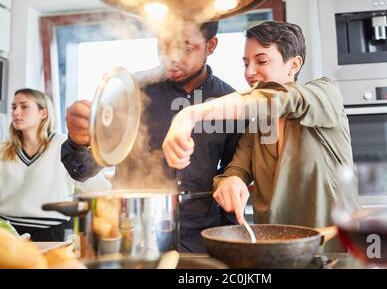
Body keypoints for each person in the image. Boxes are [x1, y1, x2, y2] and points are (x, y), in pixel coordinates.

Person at [162, 21, 361, 251]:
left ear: (294, 64)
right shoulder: (258, 127)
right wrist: (231, 182)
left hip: (336, 251)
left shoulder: (324, 94)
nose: (249, 72)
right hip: (277, 254)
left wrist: (190, 114)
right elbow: (236, 169)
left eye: (262, 61)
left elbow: (279, 99)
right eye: (246, 63)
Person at [61, 21, 241, 253]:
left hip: (200, 241)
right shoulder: (130, 91)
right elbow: (84, 170)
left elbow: (233, 173)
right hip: (132, 237)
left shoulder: (230, 102)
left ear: (211, 45)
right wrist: (79, 140)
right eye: (164, 45)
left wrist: (228, 242)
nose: (172, 57)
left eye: (186, 47)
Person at [0, 88, 109, 242]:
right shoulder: (3, 149)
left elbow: (98, 187)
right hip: (7, 233)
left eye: (24, 106)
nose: (16, 112)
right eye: (13, 107)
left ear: (43, 113)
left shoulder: (65, 146)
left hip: (51, 234)